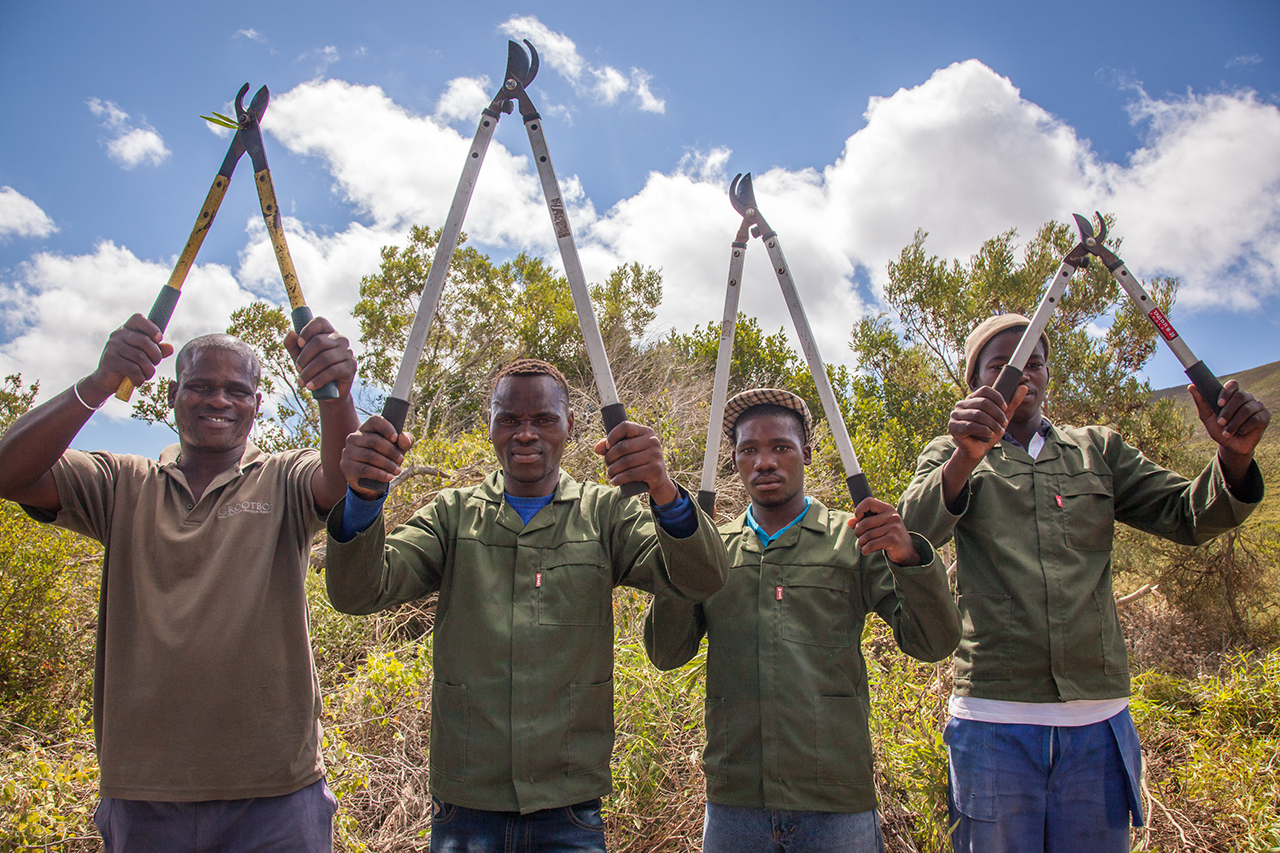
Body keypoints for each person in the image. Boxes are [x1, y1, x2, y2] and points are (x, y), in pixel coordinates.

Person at [898, 313, 1270, 852]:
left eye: (1034, 363)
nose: (1021, 376)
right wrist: (966, 455)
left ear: (1050, 374)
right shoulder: (948, 454)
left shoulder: (1099, 451)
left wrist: (1234, 457)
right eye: (1001, 366)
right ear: (976, 382)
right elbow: (912, 534)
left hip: (1097, 724)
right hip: (994, 721)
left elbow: (1188, 515)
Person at [325, 357, 729, 852]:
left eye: (543, 420)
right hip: (465, 807)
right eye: (510, 419)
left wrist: (663, 491)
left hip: (570, 807)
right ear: (489, 425)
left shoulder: (606, 512)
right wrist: (364, 497)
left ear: (571, 426)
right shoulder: (451, 515)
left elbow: (700, 577)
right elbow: (359, 592)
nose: (525, 434)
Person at [0, 312, 361, 851]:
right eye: (200, 387)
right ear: (171, 395)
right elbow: (9, 472)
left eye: (237, 390)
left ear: (258, 404)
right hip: (144, 792)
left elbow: (343, 482)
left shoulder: (284, 478)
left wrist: (334, 393)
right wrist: (100, 383)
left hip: (275, 792)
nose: (219, 400)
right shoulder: (123, 484)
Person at [644, 388, 961, 853]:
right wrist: (684, 553)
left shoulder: (853, 540)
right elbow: (667, 653)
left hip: (836, 805)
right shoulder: (714, 549)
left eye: (781, 448)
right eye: (749, 450)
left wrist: (908, 555)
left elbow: (933, 643)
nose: (764, 462)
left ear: (806, 454)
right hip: (736, 805)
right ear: (734, 462)